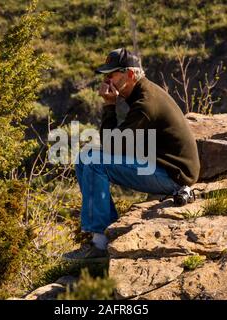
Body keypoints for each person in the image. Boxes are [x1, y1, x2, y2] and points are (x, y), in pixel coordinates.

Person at [63, 48, 200, 262]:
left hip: (173, 177)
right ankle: (101, 235)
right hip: (163, 166)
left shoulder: (145, 103)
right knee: (85, 158)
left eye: (111, 74)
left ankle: (100, 245)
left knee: (92, 162)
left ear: (129, 75)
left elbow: (112, 145)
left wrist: (109, 105)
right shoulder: (141, 92)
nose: (107, 79)